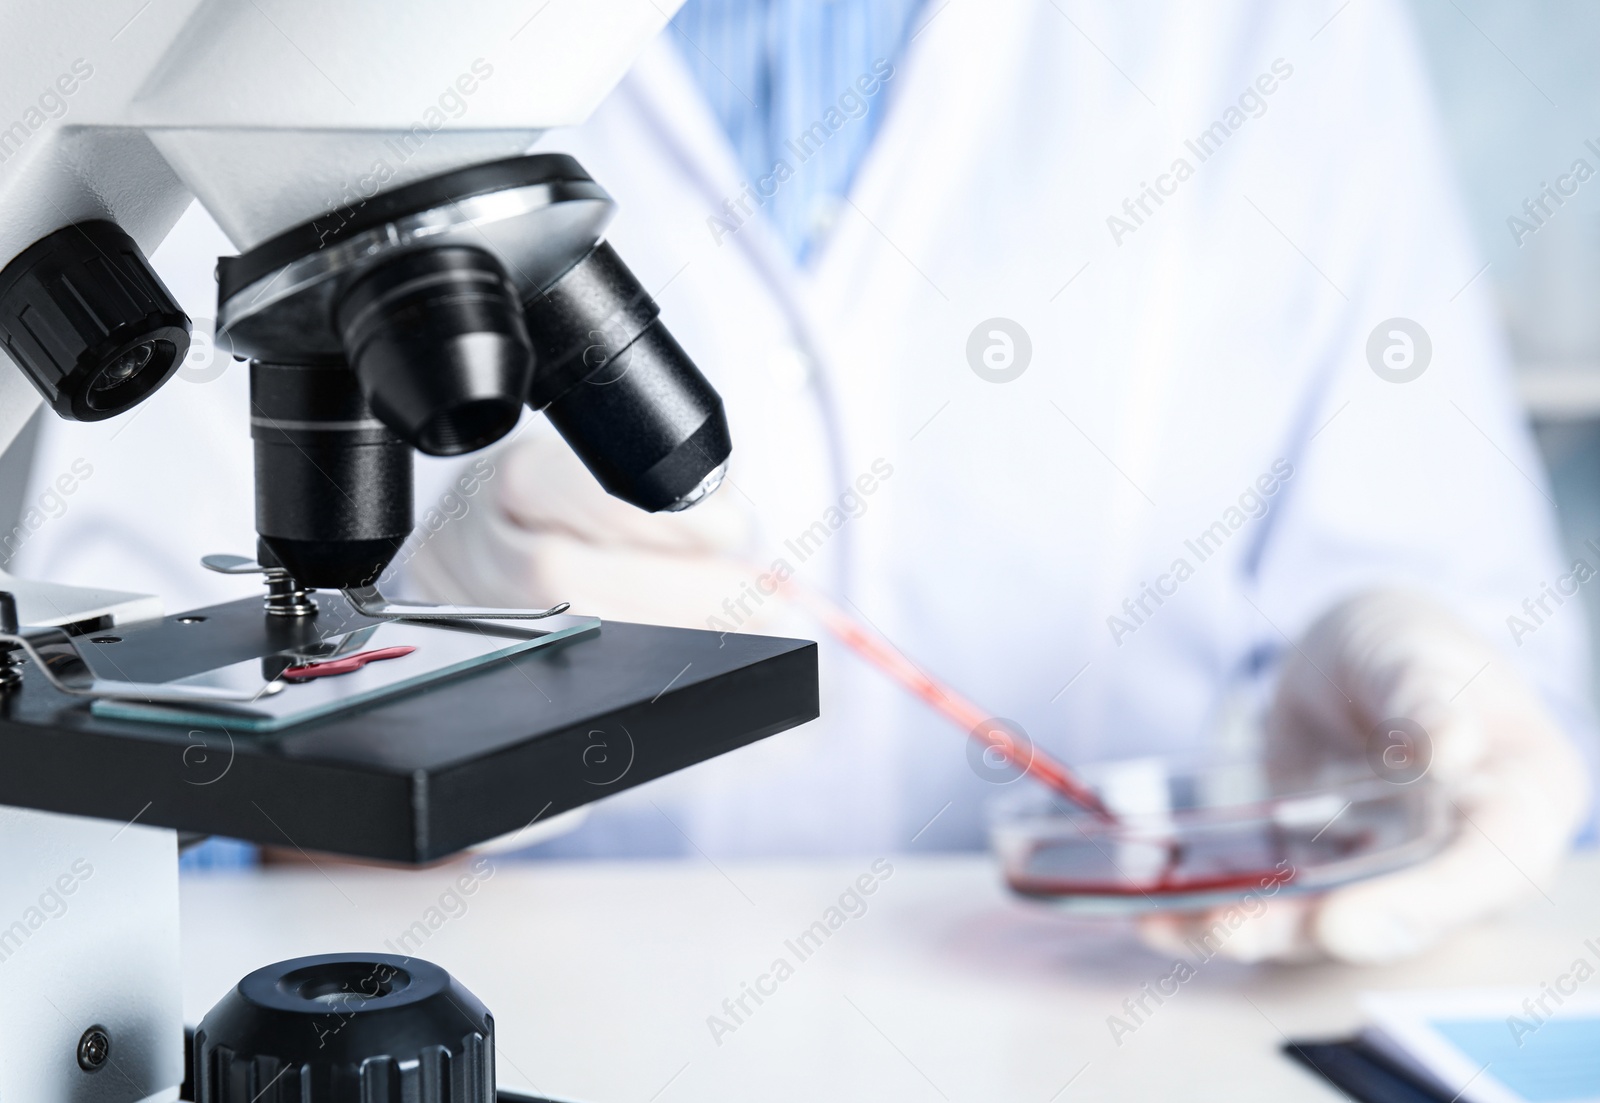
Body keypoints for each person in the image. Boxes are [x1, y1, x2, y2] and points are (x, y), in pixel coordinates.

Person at [404, 0, 1597, 965]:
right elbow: (222, 816)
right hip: (542, 1026)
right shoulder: (323, 53)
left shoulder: (1274, 32)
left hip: (1123, 1021)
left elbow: (1487, 658)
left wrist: (1422, 739)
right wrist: (417, 722)